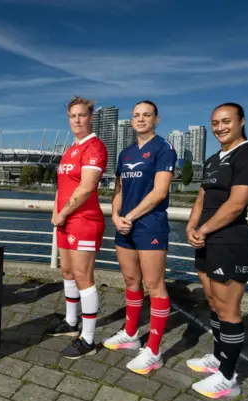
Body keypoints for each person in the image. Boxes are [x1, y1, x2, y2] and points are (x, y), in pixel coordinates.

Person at [186, 103, 248, 398]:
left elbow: (237, 203)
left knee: (229, 309)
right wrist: (192, 226)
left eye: (226, 121)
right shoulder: (213, 158)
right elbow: (202, 198)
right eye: (215, 123)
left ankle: (228, 377)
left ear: (241, 121)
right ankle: (218, 358)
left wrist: (204, 230)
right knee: (213, 302)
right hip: (207, 241)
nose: (220, 127)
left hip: (231, 241)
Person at [103, 101, 177, 375]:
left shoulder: (164, 148)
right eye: (136, 115)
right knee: (131, 281)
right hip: (124, 225)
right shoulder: (125, 153)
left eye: (147, 115)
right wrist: (114, 216)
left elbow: (159, 192)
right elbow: (118, 190)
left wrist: (130, 217)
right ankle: (131, 334)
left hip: (150, 225)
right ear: (131, 121)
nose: (141, 119)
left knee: (154, 285)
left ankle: (154, 351)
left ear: (157, 118)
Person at [44, 96, 108, 359]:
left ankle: (89, 339)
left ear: (91, 117)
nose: (77, 120)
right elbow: (62, 187)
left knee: (83, 276)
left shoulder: (95, 147)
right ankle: (71, 323)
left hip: (84, 220)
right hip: (65, 220)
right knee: (68, 271)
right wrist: (55, 212)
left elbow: (86, 188)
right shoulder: (70, 149)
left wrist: (64, 213)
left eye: (82, 115)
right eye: (73, 116)